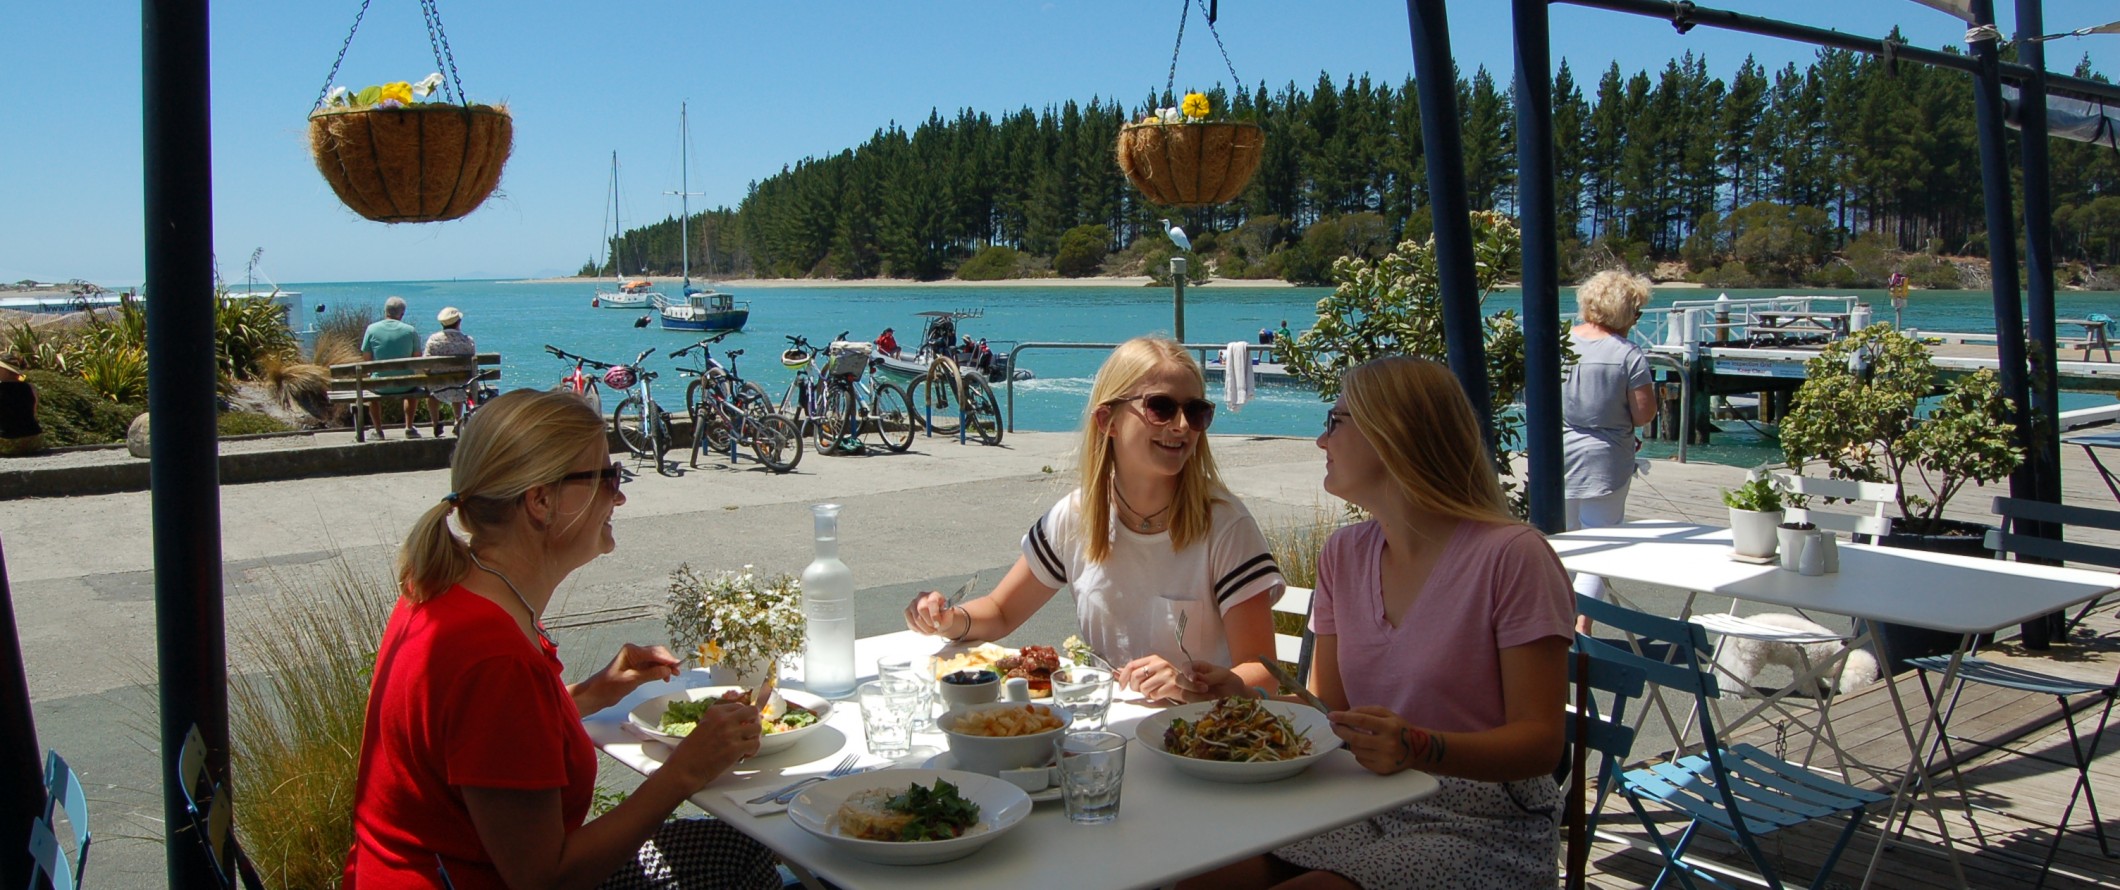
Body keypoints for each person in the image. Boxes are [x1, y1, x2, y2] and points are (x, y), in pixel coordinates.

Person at [347, 389, 778, 889]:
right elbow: (544, 878)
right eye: (607, 477)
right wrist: (685, 772)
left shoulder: (449, 590)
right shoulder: (493, 656)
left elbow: (488, 751)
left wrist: (596, 692)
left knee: (734, 846)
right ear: (542, 500)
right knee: (739, 855)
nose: (619, 496)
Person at [1180, 356, 1573, 890]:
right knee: (1196, 876)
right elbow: (1330, 708)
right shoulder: (1343, 554)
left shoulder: (1513, 557)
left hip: (1481, 825)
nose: (1322, 442)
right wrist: (1248, 701)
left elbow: (1542, 743)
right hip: (1358, 800)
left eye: (1335, 422)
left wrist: (1419, 746)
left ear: (1395, 433)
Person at [903, 336, 1284, 701]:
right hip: (1105, 731)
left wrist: (1187, 683)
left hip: (1200, 744)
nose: (1181, 426)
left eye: (1196, 411)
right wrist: (947, 619)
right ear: (1107, 420)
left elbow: (1264, 671)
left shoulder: (1224, 525)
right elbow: (1001, 612)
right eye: (1161, 408)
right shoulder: (1077, 515)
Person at [1563, 270, 1656, 635]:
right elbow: (1644, 413)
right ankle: (1582, 626)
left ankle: (1557, 620)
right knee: (1601, 544)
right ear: (1624, 312)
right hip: (1605, 457)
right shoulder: (1628, 355)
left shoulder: (1560, 343)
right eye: (1637, 313)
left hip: (1559, 453)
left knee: (1565, 541)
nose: (1636, 321)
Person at [360, 296, 424, 439]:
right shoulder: (410, 331)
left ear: (385, 311)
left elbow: (366, 359)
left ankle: (378, 430)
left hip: (380, 385)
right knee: (412, 385)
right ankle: (409, 427)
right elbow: (417, 358)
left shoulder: (371, 329)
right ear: (402, 314)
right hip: (406, 384)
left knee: (372, 387)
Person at [424, 306, 478, 430]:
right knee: (458, 382)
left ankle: (435, 423)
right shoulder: (468, 341)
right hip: (462, 386)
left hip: (438, 387)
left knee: (431, 394)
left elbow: (425, 366)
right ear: (459, 322)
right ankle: (457, 420)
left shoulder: (433, 340)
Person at [0, 356, 45, 457]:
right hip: (34, 440)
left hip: (8, 442)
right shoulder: (30, 387)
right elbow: (34, 413)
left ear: (5, 370)